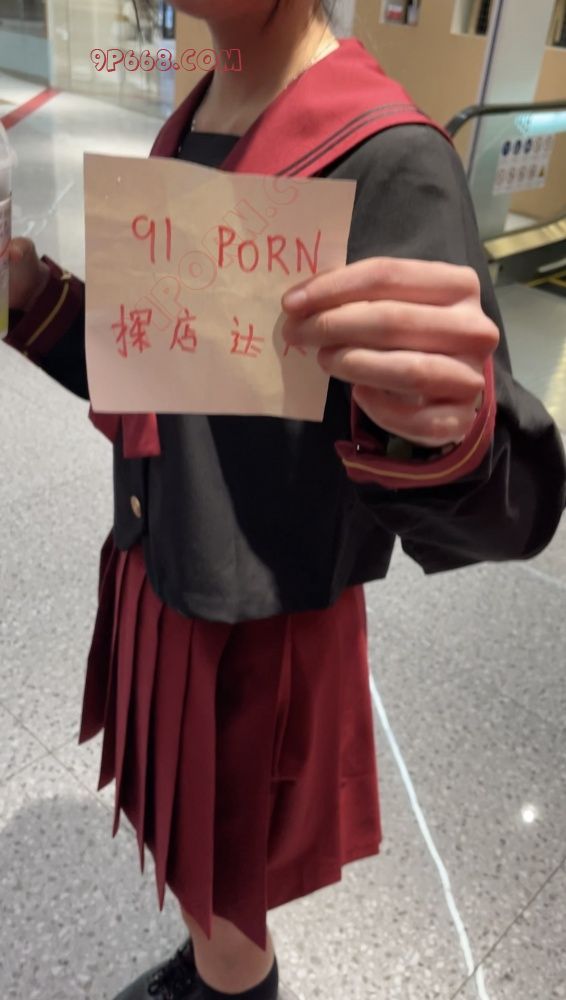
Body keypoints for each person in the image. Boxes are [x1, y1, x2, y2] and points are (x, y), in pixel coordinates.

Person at [5, 1, 566, 998]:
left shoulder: (388, 156)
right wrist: (32, 298)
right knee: (192, 861)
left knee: (230, 890)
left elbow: (509, 505)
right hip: (158, 565)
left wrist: (448, 427)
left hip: (254, 625)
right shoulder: (197, 114)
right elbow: (164, 381)